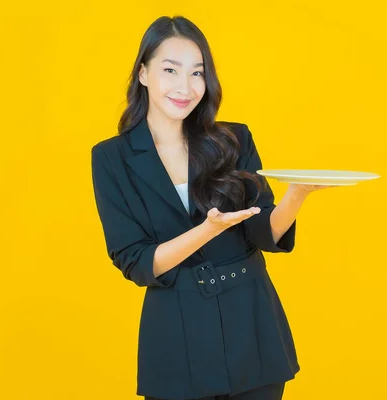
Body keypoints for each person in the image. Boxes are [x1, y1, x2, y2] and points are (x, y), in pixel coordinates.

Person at [91, 15, 333, 400]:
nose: (185, 87)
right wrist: (209, 228)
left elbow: (262, 230)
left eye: (197, 73)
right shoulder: (111, 158)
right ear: (143, 73)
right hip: (176, 333)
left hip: (252, 323)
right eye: (170, 70)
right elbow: (136, 261)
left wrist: (297, 194)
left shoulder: (233, 139)